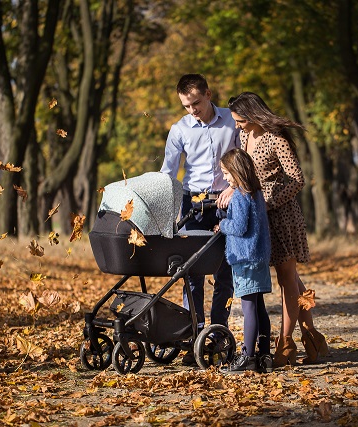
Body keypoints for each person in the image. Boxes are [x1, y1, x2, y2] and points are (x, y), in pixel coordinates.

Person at [226, 92, 328, 367]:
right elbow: (246, 173)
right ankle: (312, 335)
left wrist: (268, 202)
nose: (237, 126)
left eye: (240, 121)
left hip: (281, 216)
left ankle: (285, 343)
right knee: (292, 279)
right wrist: (233, 189)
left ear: (252, 115)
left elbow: (297, 180)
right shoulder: (247, 137)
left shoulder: (276, 138)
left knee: (287, 280)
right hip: (260, 216)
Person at [160, 74, 239, 365]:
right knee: (190, 272)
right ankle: (193, 336)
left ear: (208, 93)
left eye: (196, 102)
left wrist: (235, 186)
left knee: (225, 272)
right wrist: (164, 214)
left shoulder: (232, 120)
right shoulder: (179, 129)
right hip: (192, 204)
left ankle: (218, 335)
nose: (192, 110)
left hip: (227, 201)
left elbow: (244, 158)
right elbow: (168, 174)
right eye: (186, 106)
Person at [215, 148, 273, 373]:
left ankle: (247, 356)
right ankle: (264, 355)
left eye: (227, 173)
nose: (226, 178)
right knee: (259, 308)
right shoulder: (256, 193)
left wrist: (222, 226)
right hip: (258, 257)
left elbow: (238, 227)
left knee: (248, 308)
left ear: (237, 171)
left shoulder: (239, 196)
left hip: (245, 258)